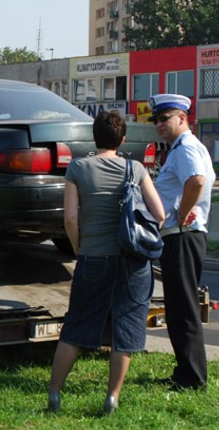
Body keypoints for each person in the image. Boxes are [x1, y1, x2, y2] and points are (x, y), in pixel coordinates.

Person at [47, 111, 165, 415]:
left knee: (76, 326)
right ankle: (112, 398)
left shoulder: (78, 167)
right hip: (131, 261)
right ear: (122, 139)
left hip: (93, 256)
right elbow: (160, 214)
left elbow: (71, 218)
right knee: (124, 331)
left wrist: (79, 247)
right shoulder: (135, 168)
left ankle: (55, 394)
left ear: (94, 137)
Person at [148, 93, 216, 391]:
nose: (159, 125)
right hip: (181, 237)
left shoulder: (186, 147)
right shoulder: (183, 147)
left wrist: (184, 213)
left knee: (184, 309)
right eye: (156, 120)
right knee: (178, 308)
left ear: (182, 119)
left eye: (165, 119)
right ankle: (184, 372)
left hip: (182, 236)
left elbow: (197, 181)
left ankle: (192, 378)